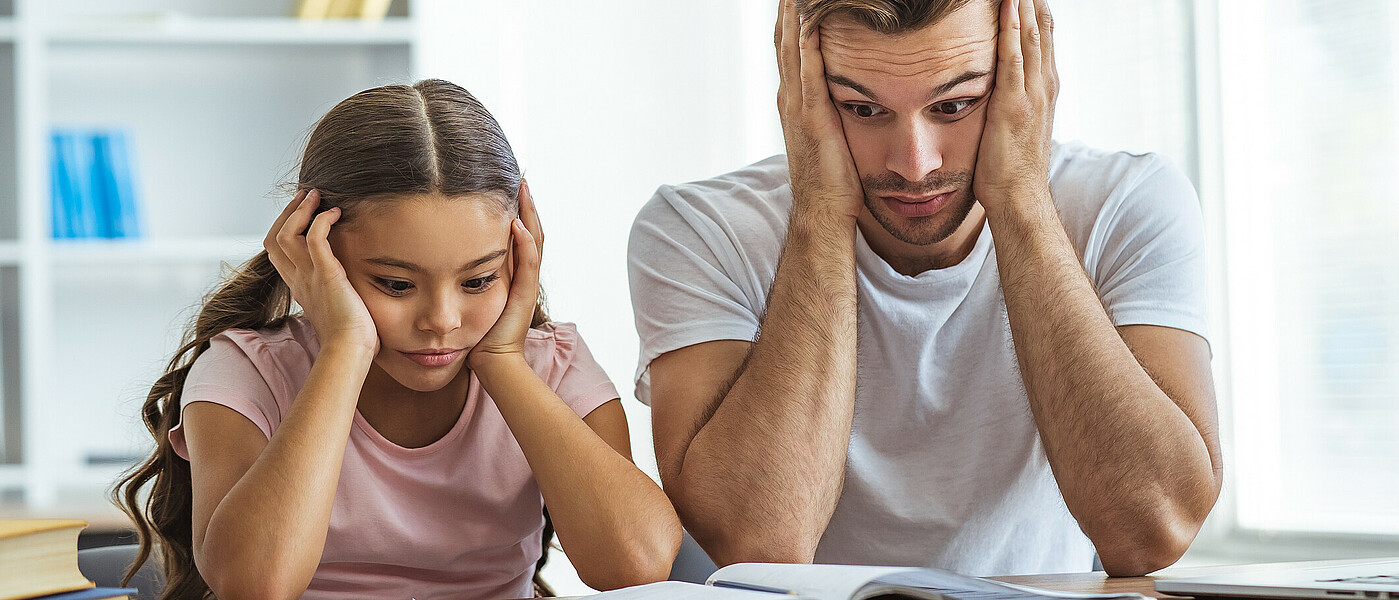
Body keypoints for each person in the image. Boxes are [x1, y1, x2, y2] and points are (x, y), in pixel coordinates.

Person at [628, 0, 1223, 578]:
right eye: (861, 110)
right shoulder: (697, 230)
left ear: (1028, 68)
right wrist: (822, 210)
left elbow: (1154, 531)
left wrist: (1020, 201)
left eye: (956, 104)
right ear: (798, 83)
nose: (914, 164)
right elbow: (758, 544)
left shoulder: (1127, 204)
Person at [115, 79, 681, 600]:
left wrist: (504, 360)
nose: (441, 318)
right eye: (395, 284)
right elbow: (254, 584)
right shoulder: (247, 371)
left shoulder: (552, 368)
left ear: (518, 257)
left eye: (477, 280)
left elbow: (637, 564)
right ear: (317, 253)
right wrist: (343, 350)